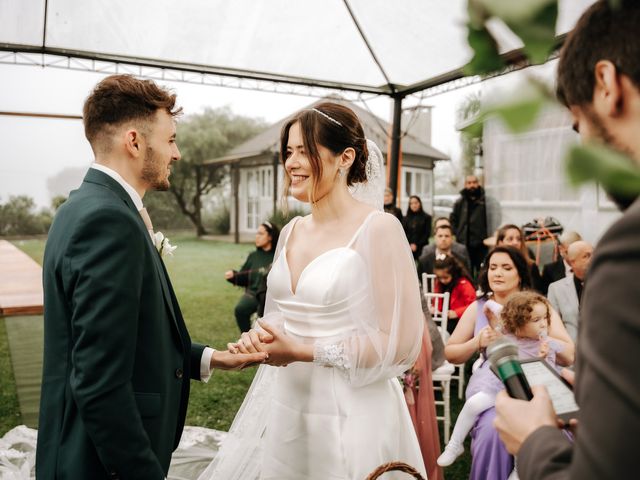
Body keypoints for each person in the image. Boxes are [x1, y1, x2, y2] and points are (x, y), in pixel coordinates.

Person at [35, 75, 266, 479]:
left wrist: (210, 359)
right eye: (171, 139)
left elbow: (126, 339)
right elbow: (100, 382)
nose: (176, 153)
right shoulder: (107, 221)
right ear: (135, 141)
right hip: (95, 463)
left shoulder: (83, 207)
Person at [199, 103, 428, 479]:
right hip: (288, 408)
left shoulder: (379, 229)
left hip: (350, 413)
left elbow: (400, 343)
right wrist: (261, 336)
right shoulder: (291, 231)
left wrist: (303, 351)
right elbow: (278, 314)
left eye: (304, 150)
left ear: (345, 158)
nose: (291, 162)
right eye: (288, 152)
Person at [495, 2, 640, 476]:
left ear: (607, 84)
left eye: (579, 124)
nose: (584, 144)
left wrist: (534, 441)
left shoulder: (628, 250)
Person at [444, 246, 575, 479]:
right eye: (493, 267)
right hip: (495, 379)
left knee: (543, 426)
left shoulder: (538, 305)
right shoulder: (478, 307)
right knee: (492, 429)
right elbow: (451, 353)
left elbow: (569, 354)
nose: (497, 273)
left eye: (506, 268)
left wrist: (538, 335)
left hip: (536, 378)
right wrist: (477, 342)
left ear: (520, 274)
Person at [437, 291, 563, 467]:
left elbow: (548, 372)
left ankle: (520, 470)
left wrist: (543, 358)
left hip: (527, 393)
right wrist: (490, 308)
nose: (543, 324)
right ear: (518, 324)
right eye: (536, 320)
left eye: (545, 318)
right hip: (499, 385)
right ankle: (455, 444)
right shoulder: (508, 333)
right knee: (474, 404)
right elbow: (493, 307)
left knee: (523, 427)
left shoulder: (546, 344)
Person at [225, 222, 279, 332]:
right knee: (240, 309)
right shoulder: (253, 256)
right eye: (256, 233)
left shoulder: (279, 255)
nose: (257, 237)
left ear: (270, 236)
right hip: (253, 295)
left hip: (271, 297)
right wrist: (233, 276)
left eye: (260, 233)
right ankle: (246, 338)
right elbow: (243, 277)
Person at [450, 175, 502, 277]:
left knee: (483, 271)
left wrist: (488, 234)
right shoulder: (459, 202)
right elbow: (453, 219)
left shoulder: (488, 201)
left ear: (478, 184)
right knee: (465, 271)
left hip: (482, 245)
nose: (472, 185)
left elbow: (496, 218)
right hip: (464, 244)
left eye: (474, 182)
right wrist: (458, 233)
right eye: (469, 183)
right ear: (465, 185)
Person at [547, 241, 593, 342]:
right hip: (572, 351)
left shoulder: (607, 284)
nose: (592, 259)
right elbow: (553, 327)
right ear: (573, 262)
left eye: (594, 254)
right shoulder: (556, 289)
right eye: (587, 256)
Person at [432, 254, 476, 334]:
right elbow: (436, 300)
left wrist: (456, 313)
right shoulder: (439, 283)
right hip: (444, 318)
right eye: (439, 277)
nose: (442, 280)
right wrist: (435, 309)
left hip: (460, 322)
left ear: (453, 273)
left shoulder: (464, 284)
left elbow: (474, 305)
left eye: (445, 277)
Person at [495, 224, 544, 293]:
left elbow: (537, 293)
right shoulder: (492, 265)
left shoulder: (531, 266)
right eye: (510, 239)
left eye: (519, 239)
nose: (515, 242)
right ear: (500, 243)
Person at [403, 195, 432, 261]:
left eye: (416, 203)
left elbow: (427, 233)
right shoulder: (405, 218)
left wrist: (416, 244)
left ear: (420, 203)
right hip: (408, 246)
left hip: (422, 246)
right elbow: (404, 233)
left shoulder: (427, 217)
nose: (414, 205)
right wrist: (410, 244)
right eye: (411, 203)